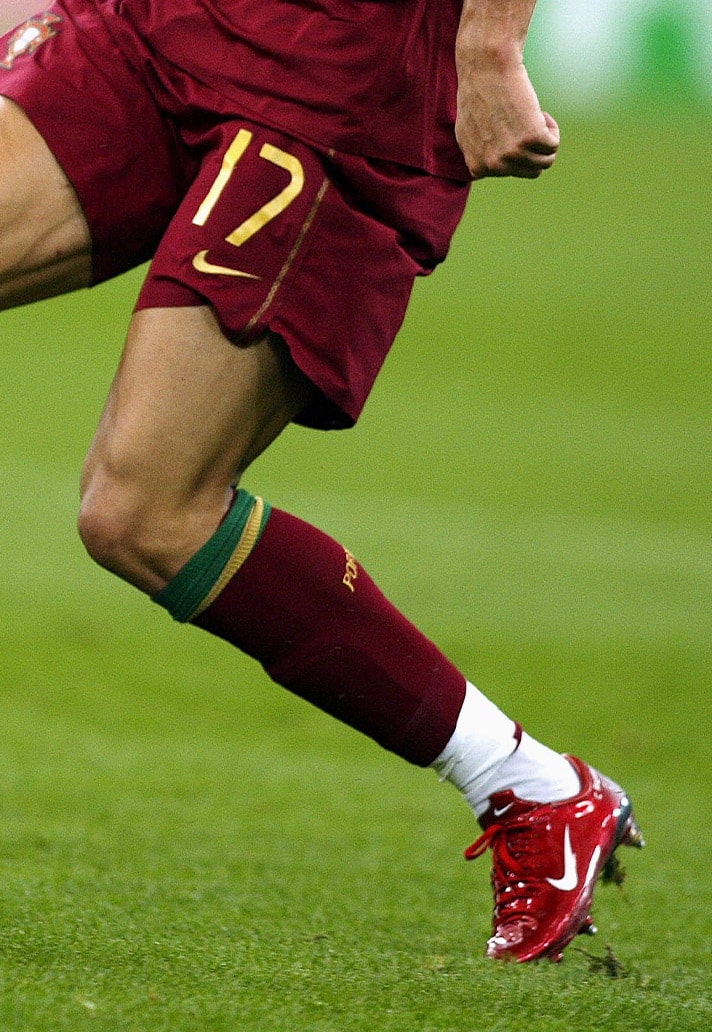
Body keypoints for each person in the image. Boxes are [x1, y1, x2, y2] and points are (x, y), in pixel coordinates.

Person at [0, 0, 643, 963]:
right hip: (162, 20)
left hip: (335, 81)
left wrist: (488, 44)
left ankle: (528, 787)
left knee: (145, 512)